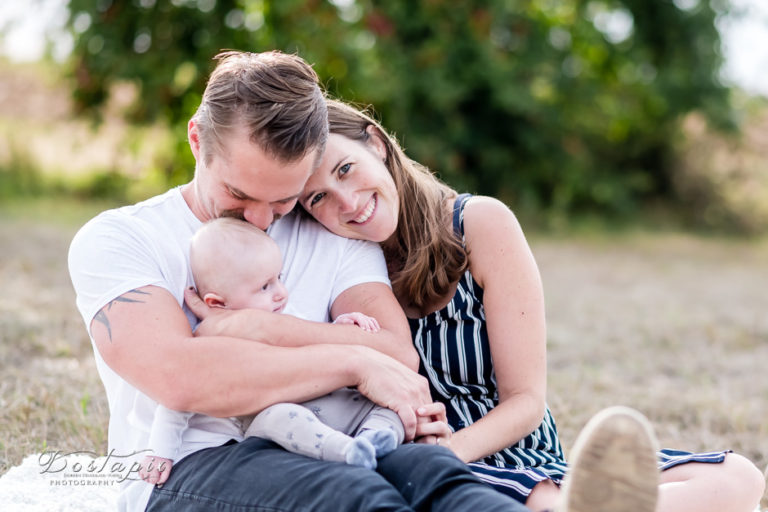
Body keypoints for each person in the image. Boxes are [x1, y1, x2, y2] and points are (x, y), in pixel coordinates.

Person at [68, 49, 538, 512]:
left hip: (338, 441)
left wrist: (269, 333)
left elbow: (396, 353)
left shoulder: (331, 232)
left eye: (284, 200)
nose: (259, 218)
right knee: (356, 495)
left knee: (438, 479)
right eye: (238, 193)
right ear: (196, 140)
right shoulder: (122, 239)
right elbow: (179, 377)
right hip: (192, 466)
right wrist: (355, 362)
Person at [287, 99, 765, 512]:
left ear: (376, 143)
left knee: (739, 479)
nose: (346, 202)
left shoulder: (478, 224)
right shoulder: (340, 268)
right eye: (319, 198)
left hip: (517, 454)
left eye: (345, 169)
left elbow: (526, 401)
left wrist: (451, 452)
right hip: (436, 476)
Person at [139, 217, 404, 486]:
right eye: (265, 286)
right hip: (280, 421)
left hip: (331, 404)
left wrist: (341, 325)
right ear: (218, 302)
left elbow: (316, 341)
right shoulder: (214, 343)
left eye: (279, 278)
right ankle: (347, 451)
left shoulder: (283, 316)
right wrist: (160, 452)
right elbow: (176, 406)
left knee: (389, 404)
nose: (281, 293)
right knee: (280, 418)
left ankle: (374, 437)